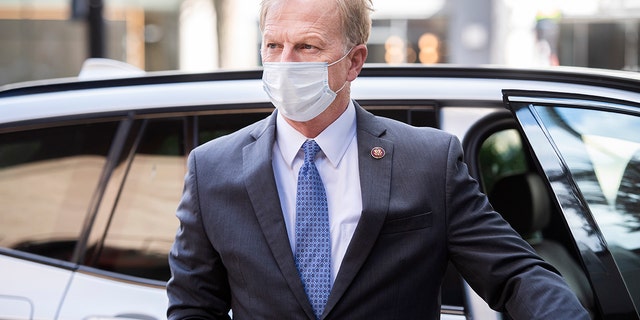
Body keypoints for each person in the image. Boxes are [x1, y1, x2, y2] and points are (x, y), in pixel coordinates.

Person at [166, 0, 590, 319]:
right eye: (273, 45)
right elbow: (193, 306)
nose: (284, 63)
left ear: (354, 62)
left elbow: (516, 276)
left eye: (307, 47)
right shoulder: (211, 169)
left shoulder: (427, 162)